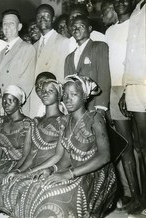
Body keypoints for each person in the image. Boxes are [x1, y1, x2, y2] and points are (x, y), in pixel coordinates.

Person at [2, 75, 116, 218]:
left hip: (94, 174)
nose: (68, 99)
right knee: (34, 185)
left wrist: (68, 174)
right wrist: (46, 170)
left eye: (74, 94)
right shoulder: (64, 121)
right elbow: (63, 159)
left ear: (85, 96)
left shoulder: (94, 118)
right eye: (66, 95)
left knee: (53, 197)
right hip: (72, 169)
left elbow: (105, 156)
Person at [0, 75, 63, 216]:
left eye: (50, 91)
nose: (44, 93)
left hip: (52, 167)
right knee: (8, 183)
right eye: (42, 90)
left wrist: (27, 172)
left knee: (26, 190)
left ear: (60, 95)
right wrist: (18, 171)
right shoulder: (36, 122)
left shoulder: (64, 120)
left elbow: (60, 156)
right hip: (33, 166)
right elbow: (30, 154)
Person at [105, 0, 142, 213]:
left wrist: (128, 90)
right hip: (115, 90)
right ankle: (135, 196)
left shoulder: (138, 24)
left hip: (136, 87)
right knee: (125, 147)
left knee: (140, 147)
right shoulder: (109, 31)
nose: (120, 3)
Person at [120, 0, 146, 215]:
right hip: (135, 85)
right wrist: (126, 89)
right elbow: (131, 52)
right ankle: (144, 199)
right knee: (141, 146)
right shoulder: (137, 10)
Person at [65, 15, 111, 114]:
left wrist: (101, 107)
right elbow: (68, 85)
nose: (76, 29)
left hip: (94, 105)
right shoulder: (69, 58)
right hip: (76, 109)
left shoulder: (99, 47)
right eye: (74, 27)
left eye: (81, 26)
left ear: (89, 29)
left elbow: (104, 77)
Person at [29, 4, 70, 117]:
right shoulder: (34, 46)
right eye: (39, 16)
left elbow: (64, 76)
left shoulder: (63, 42)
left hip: (53, 102)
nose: (42, 19)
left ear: (53, 19)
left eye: (46, 16)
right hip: (35, 100)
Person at [0, 9, 36, 115]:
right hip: (0, 108)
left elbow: (26, 83)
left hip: (15, 108)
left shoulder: (27, 49)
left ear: (19, 27)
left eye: (11, 23)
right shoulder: (1, 53)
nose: (7, 27)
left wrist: (8, 103)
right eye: (4, 24)